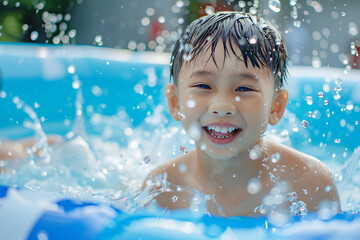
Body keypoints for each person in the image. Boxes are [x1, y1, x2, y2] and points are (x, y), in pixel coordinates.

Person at [143, 12, 340, 217]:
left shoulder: (309, 184)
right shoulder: (161, 188)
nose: (221, 106)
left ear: (276, 106)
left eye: (244, 89)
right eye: (203, 85)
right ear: (175, 102)